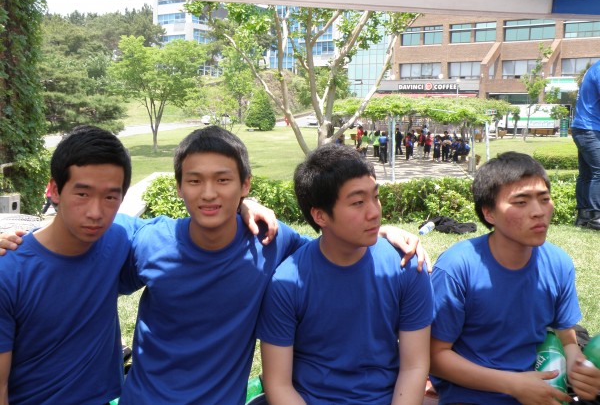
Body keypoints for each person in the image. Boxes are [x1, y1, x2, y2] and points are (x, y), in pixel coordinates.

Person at [0, 127, 428, 404]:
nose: (209, 193)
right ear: (179, 187)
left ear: (245, 185)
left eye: (223, 180)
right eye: (195, 180)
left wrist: (383, 230)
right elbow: (67, 237)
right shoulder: (140, 239)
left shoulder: (270, 241)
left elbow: (330, 244)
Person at [257, 144, 433, 405]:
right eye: (358, 202)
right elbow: (278, 384)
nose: (374, 212)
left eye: (375, 196)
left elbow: (414, 366)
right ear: (320, 215)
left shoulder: (407, 266)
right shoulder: (287, 283)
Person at [429, 151, 600, 405]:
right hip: (474, 397)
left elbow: (568, 339)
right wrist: (513, 384)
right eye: (521, 202)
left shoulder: (558, 263)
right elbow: (434, 356)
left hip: (541, 392)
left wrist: (580, 368)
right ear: (489, 213)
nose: (538, 211)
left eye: (544, 199)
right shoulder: (457, 267)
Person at [0, 125, 133, 404]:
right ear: (54, 190)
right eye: (82, 194)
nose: (96, 212)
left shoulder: (119, 241)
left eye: (110, 197)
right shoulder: (8, 271)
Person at [571, 60, 600, 230]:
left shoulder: (594, 68)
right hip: (590, 128)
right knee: (598, 172)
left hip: (582, 127)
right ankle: (597, 217)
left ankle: (583, 216)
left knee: (587, 174)